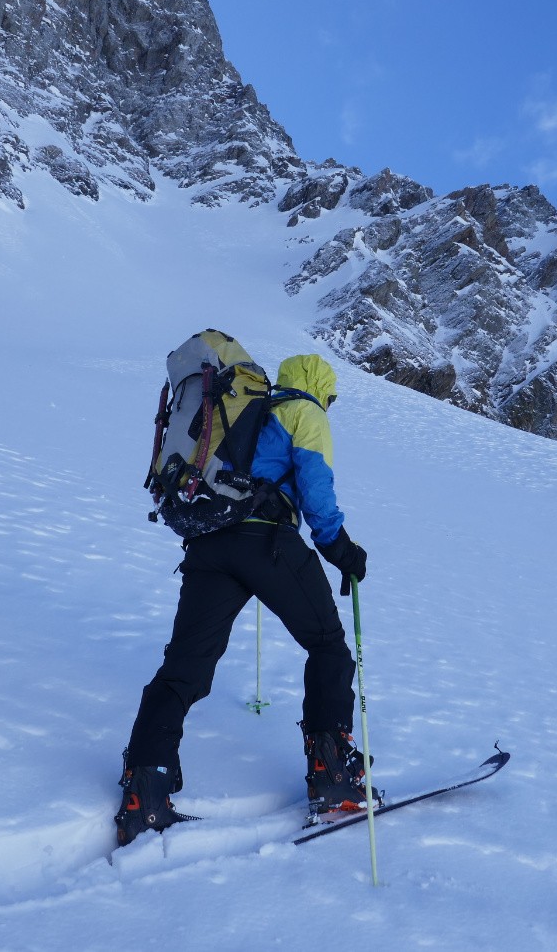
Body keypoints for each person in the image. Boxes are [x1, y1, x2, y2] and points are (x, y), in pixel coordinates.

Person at [116, 353, 373, 847]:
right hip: (267, 542)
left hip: (209, 545)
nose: (330, 403)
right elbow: (316, 488)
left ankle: (143, 799)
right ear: (320, 386)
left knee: (183, 669)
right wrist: (342, 550)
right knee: (327, 646)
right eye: (332, 394)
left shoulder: (241, 414)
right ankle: (335, 780)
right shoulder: (305, 412)